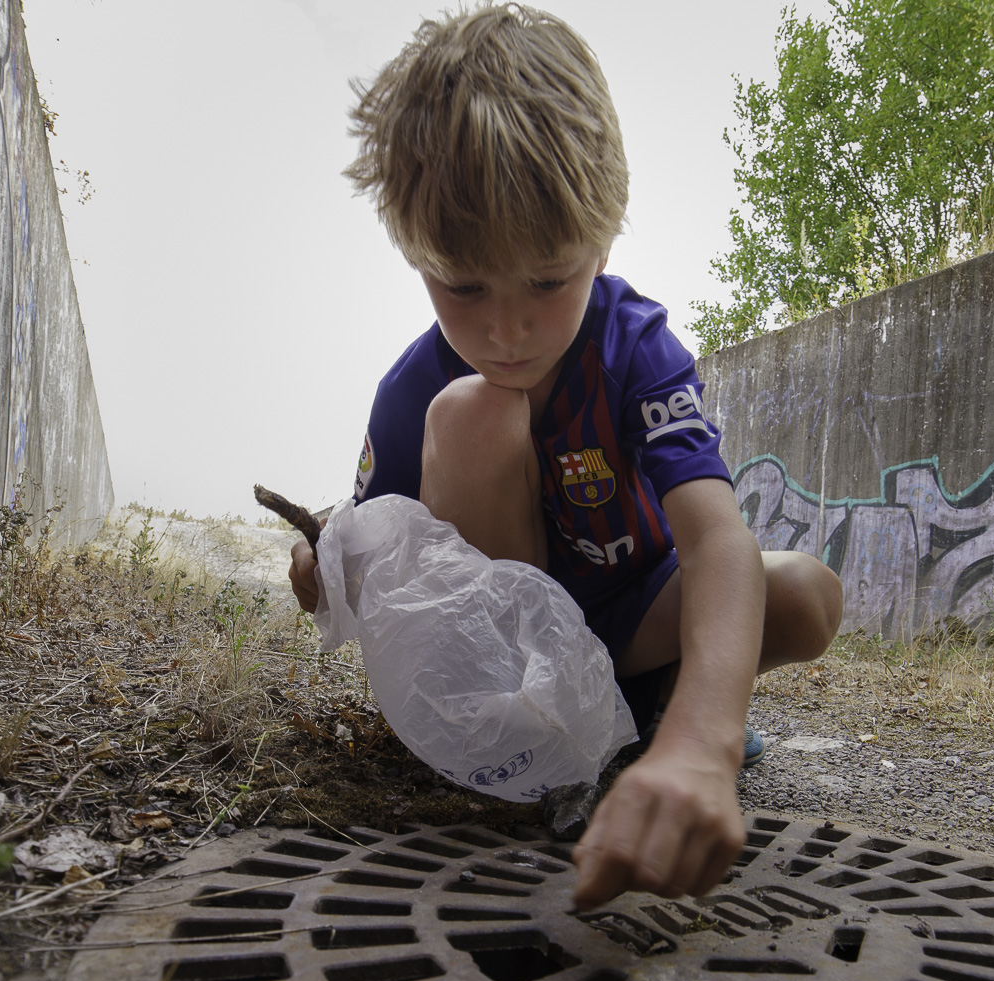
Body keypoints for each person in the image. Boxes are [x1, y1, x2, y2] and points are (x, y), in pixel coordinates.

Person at [288, 4, 842, 908]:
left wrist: (704, 741)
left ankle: (649, 716)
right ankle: (555, 750)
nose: (507, 327)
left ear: (605, 234)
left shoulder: (636, 346)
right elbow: (372, 540)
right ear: (415, 254)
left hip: (627, 619)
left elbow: (714, 540)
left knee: (806, 595)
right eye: (463, 286)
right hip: (512, 659)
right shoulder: (414, 394)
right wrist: (325, 558)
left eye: (549, 280)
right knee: (474, 410)